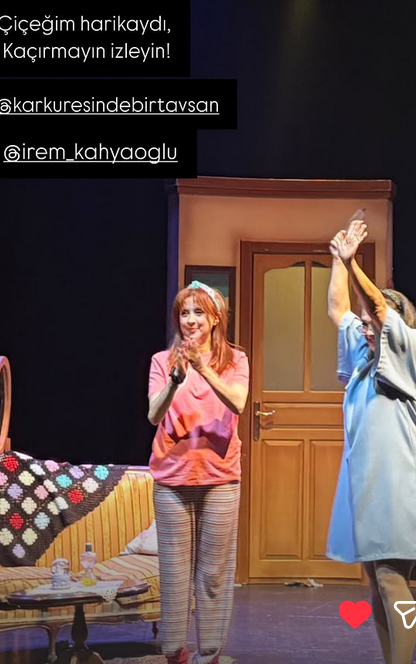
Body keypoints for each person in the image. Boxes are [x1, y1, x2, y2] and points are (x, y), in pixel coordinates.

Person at [326, 220, 416, 664]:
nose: (366, 328)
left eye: (373, 323)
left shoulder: (414, 350)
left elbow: (374, 305)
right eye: (365, 325)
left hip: (401, 479)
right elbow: (339, 310)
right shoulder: (365, 355)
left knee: (393, 577)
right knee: (376, 580)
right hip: (370, 479)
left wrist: (354, 261)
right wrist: (338, 261)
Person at [148, 281, 249, 664]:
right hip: (172, 477)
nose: (190, 320)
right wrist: (176, 380)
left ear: (215, 318)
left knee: (213, 572)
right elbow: (153, 414)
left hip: (220, 477)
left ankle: (209, 654)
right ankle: (174, 652)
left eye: (198, 312)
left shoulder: (235, 360)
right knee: (175, 572)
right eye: (184, 313)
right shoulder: (163, 361)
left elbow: (238, 402)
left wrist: (203, 367)